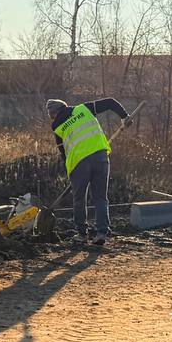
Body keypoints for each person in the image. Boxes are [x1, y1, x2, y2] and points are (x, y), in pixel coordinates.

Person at [47, 96, 130, 246]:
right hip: (100, 156)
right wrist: (124, 116)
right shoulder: (83, 109)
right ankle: (101, 233)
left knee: (79, 199)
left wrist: (70, 173)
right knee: (100, 197)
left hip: (78, 163)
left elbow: (63, 153)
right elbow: (110, 102)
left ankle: (81, 234)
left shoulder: (57, 128)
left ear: (53, 114)